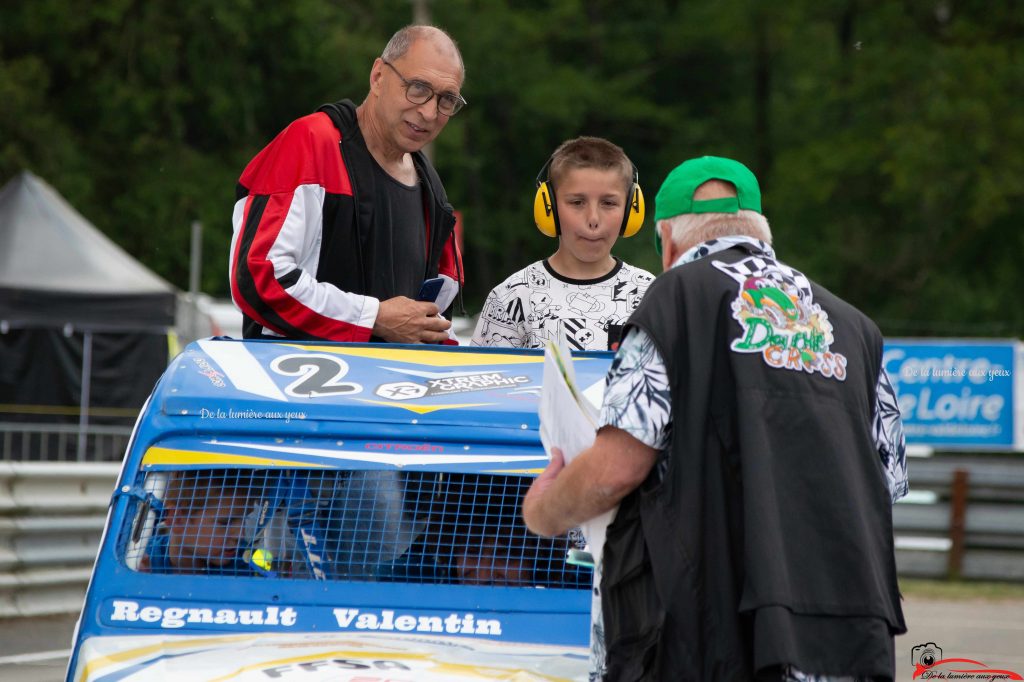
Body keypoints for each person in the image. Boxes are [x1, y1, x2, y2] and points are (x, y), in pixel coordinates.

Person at [523, 156, 909, 681]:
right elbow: (887, 483)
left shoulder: (675, 300)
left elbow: (618, 467)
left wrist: (546, 509)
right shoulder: (855, 327)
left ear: (668, 240)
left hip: (714, 634)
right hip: (847, 634)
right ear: (759, 229)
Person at [229, 25, 466, 343]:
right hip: (295, 386)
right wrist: (373, 318)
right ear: (378, 77)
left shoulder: (433, 192)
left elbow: (433, 322)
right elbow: (257, 277)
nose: (428, 111)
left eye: (446, 100)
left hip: (393, 390)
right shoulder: (311, 145)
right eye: (418, 88)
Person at [471, 137, 654, 351]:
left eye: (609, 203)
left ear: (630, 210)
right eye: (577, 202)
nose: (593, 218)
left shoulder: (650, 295)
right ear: (550, 208)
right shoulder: (512, 297)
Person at [139, 470, 266, 575]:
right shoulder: (136, 559)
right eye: (225, 522)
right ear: (177, 520)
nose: (240, 535)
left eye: (245, 519)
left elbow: (280, 580)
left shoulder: (254, 563)